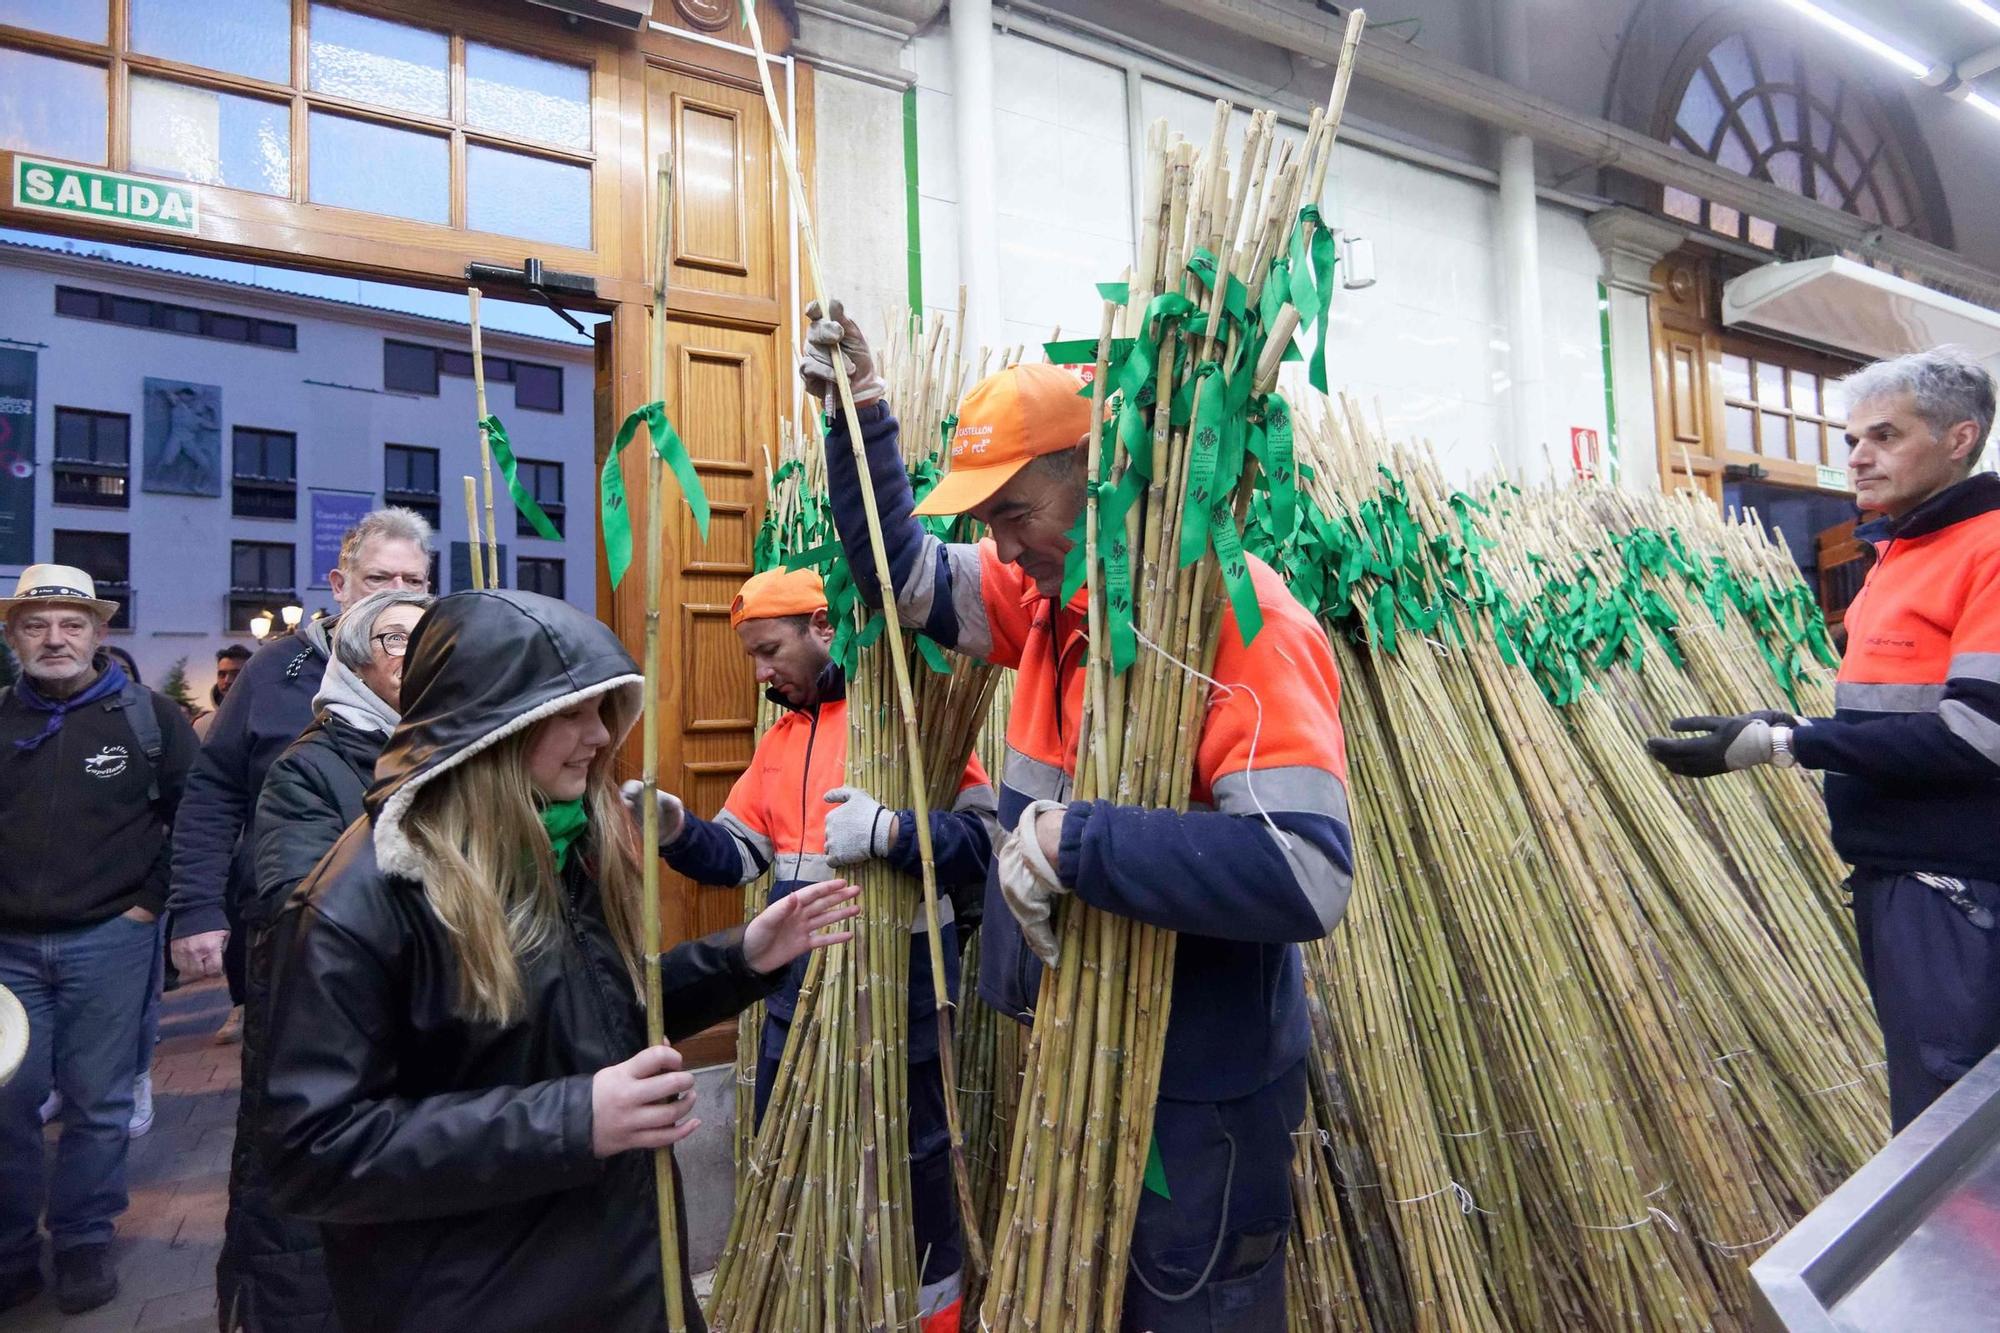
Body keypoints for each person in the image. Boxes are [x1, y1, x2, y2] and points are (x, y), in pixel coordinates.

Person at [802, 304, 1355, 1330]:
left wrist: (1076, 841)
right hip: (1081, 1048)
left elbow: (1305, 872)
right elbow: (907, 575)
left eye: (1012, 511)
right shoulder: (1046, 598)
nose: (998, 546)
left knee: (1191, 1310)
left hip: (1198, 1090)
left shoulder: (1244, 622)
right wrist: (860, 416)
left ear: (1089, 479)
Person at [259, 589, 861, 1332]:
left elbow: (592, 1015)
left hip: (618, 1271)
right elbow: (311, 1151)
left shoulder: (552, 847)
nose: (599, 735)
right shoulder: (362, 903)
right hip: (484, 1297)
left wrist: (742, 957)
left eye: (607, 709)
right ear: (493, 723)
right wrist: (577, 1118)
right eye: (570, 713)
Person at [1648, 346, 2000, 1133]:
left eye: (1885, 435)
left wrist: (1789, 740)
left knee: (1955, 1133)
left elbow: (1981, 735)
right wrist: (1788, 731)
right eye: (1850, 439)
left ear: (1959, 438)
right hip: (1899, 881)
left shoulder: (1989, 549)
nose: (1858, 457)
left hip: (1960, 891)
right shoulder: (1898, 553)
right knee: (1930, 1110)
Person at [649, 566, 996, 1324]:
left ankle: (931, 1314)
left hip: (900, 1000)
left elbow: (985, 842)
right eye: (751, 656)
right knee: (794, 1153)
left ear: (824, 627)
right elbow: (738, 855)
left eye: (769, 649)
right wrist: (677, 830)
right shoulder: (780, 741)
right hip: (794, 1005)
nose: (761, 671)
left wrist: (895, 833)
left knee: (917, 1163)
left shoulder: (911, 719)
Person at [218, 589, 432, 1332]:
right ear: (354, 661)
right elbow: (294, 907)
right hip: (332, 1050)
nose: (420, 650)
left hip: (425, 1051)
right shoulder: (310, 768)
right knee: (317, 1266)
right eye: (399, 639)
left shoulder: (454, 753)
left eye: (432, 636)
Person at [0, 565, 198, 1314]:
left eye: (71, 622)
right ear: (13, 634)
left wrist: (150, 905)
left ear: (97, 632)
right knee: (5, 1103)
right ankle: (11, 1249)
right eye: (36, 623)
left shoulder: (149, 719)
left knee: (98, 1099)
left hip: (110, 940)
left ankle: (83, 1239)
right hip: (7, 951)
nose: (55, 638)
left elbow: (198, 815)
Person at [169, 507, 434, 1043]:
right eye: (378, 578)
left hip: (426, 928)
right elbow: (214, 790)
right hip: (294, 927)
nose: (395, 592)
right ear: (340, 585)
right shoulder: (272, 671)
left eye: (413, 580)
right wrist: (197, 906)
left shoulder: (449, 669)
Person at [194, 645, 253, 742]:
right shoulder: (203, 724)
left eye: (236, 674)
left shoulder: (268, 721)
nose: (227, 680)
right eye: (222, 674)